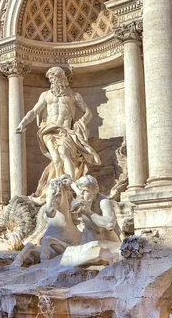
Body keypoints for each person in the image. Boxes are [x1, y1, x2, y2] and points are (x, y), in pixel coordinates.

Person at [16, 67, 101, 199]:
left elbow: (88, 113)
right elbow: (33, 112)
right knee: (56, 159)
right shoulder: (45, 95)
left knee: (64, 154)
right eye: (50, 79)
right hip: (49, 129)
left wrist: (81, 122)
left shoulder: (74, 96)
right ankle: (60, 189)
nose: (51, 82)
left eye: (53, 78)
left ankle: (71, 187)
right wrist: (23, 123)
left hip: (65, 131)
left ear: (61, 78)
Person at [71, 175, 121, 244]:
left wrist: (88, 212)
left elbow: (110, 224)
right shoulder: (82, 198)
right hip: (87, 240)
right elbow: (72, 184)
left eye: (86, 191)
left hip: (107, 243)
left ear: (96, 190)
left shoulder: (103, 202)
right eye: (80, 190)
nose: (81, 194)